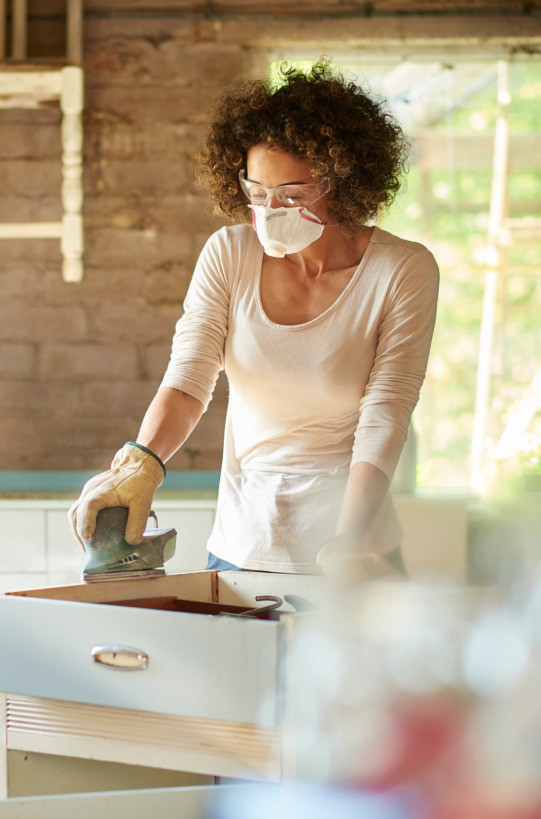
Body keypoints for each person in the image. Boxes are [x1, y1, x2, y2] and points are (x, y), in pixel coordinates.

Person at [69, 62, 439, 579]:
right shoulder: (229, 253)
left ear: (345, 181)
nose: (270, 210)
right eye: (257, 192)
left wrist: (350, 542)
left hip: (352, 545)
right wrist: (140, 464)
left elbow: (386, 412)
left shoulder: (401, 270)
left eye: (292, 195)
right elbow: (189, 377)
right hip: (241, 544)